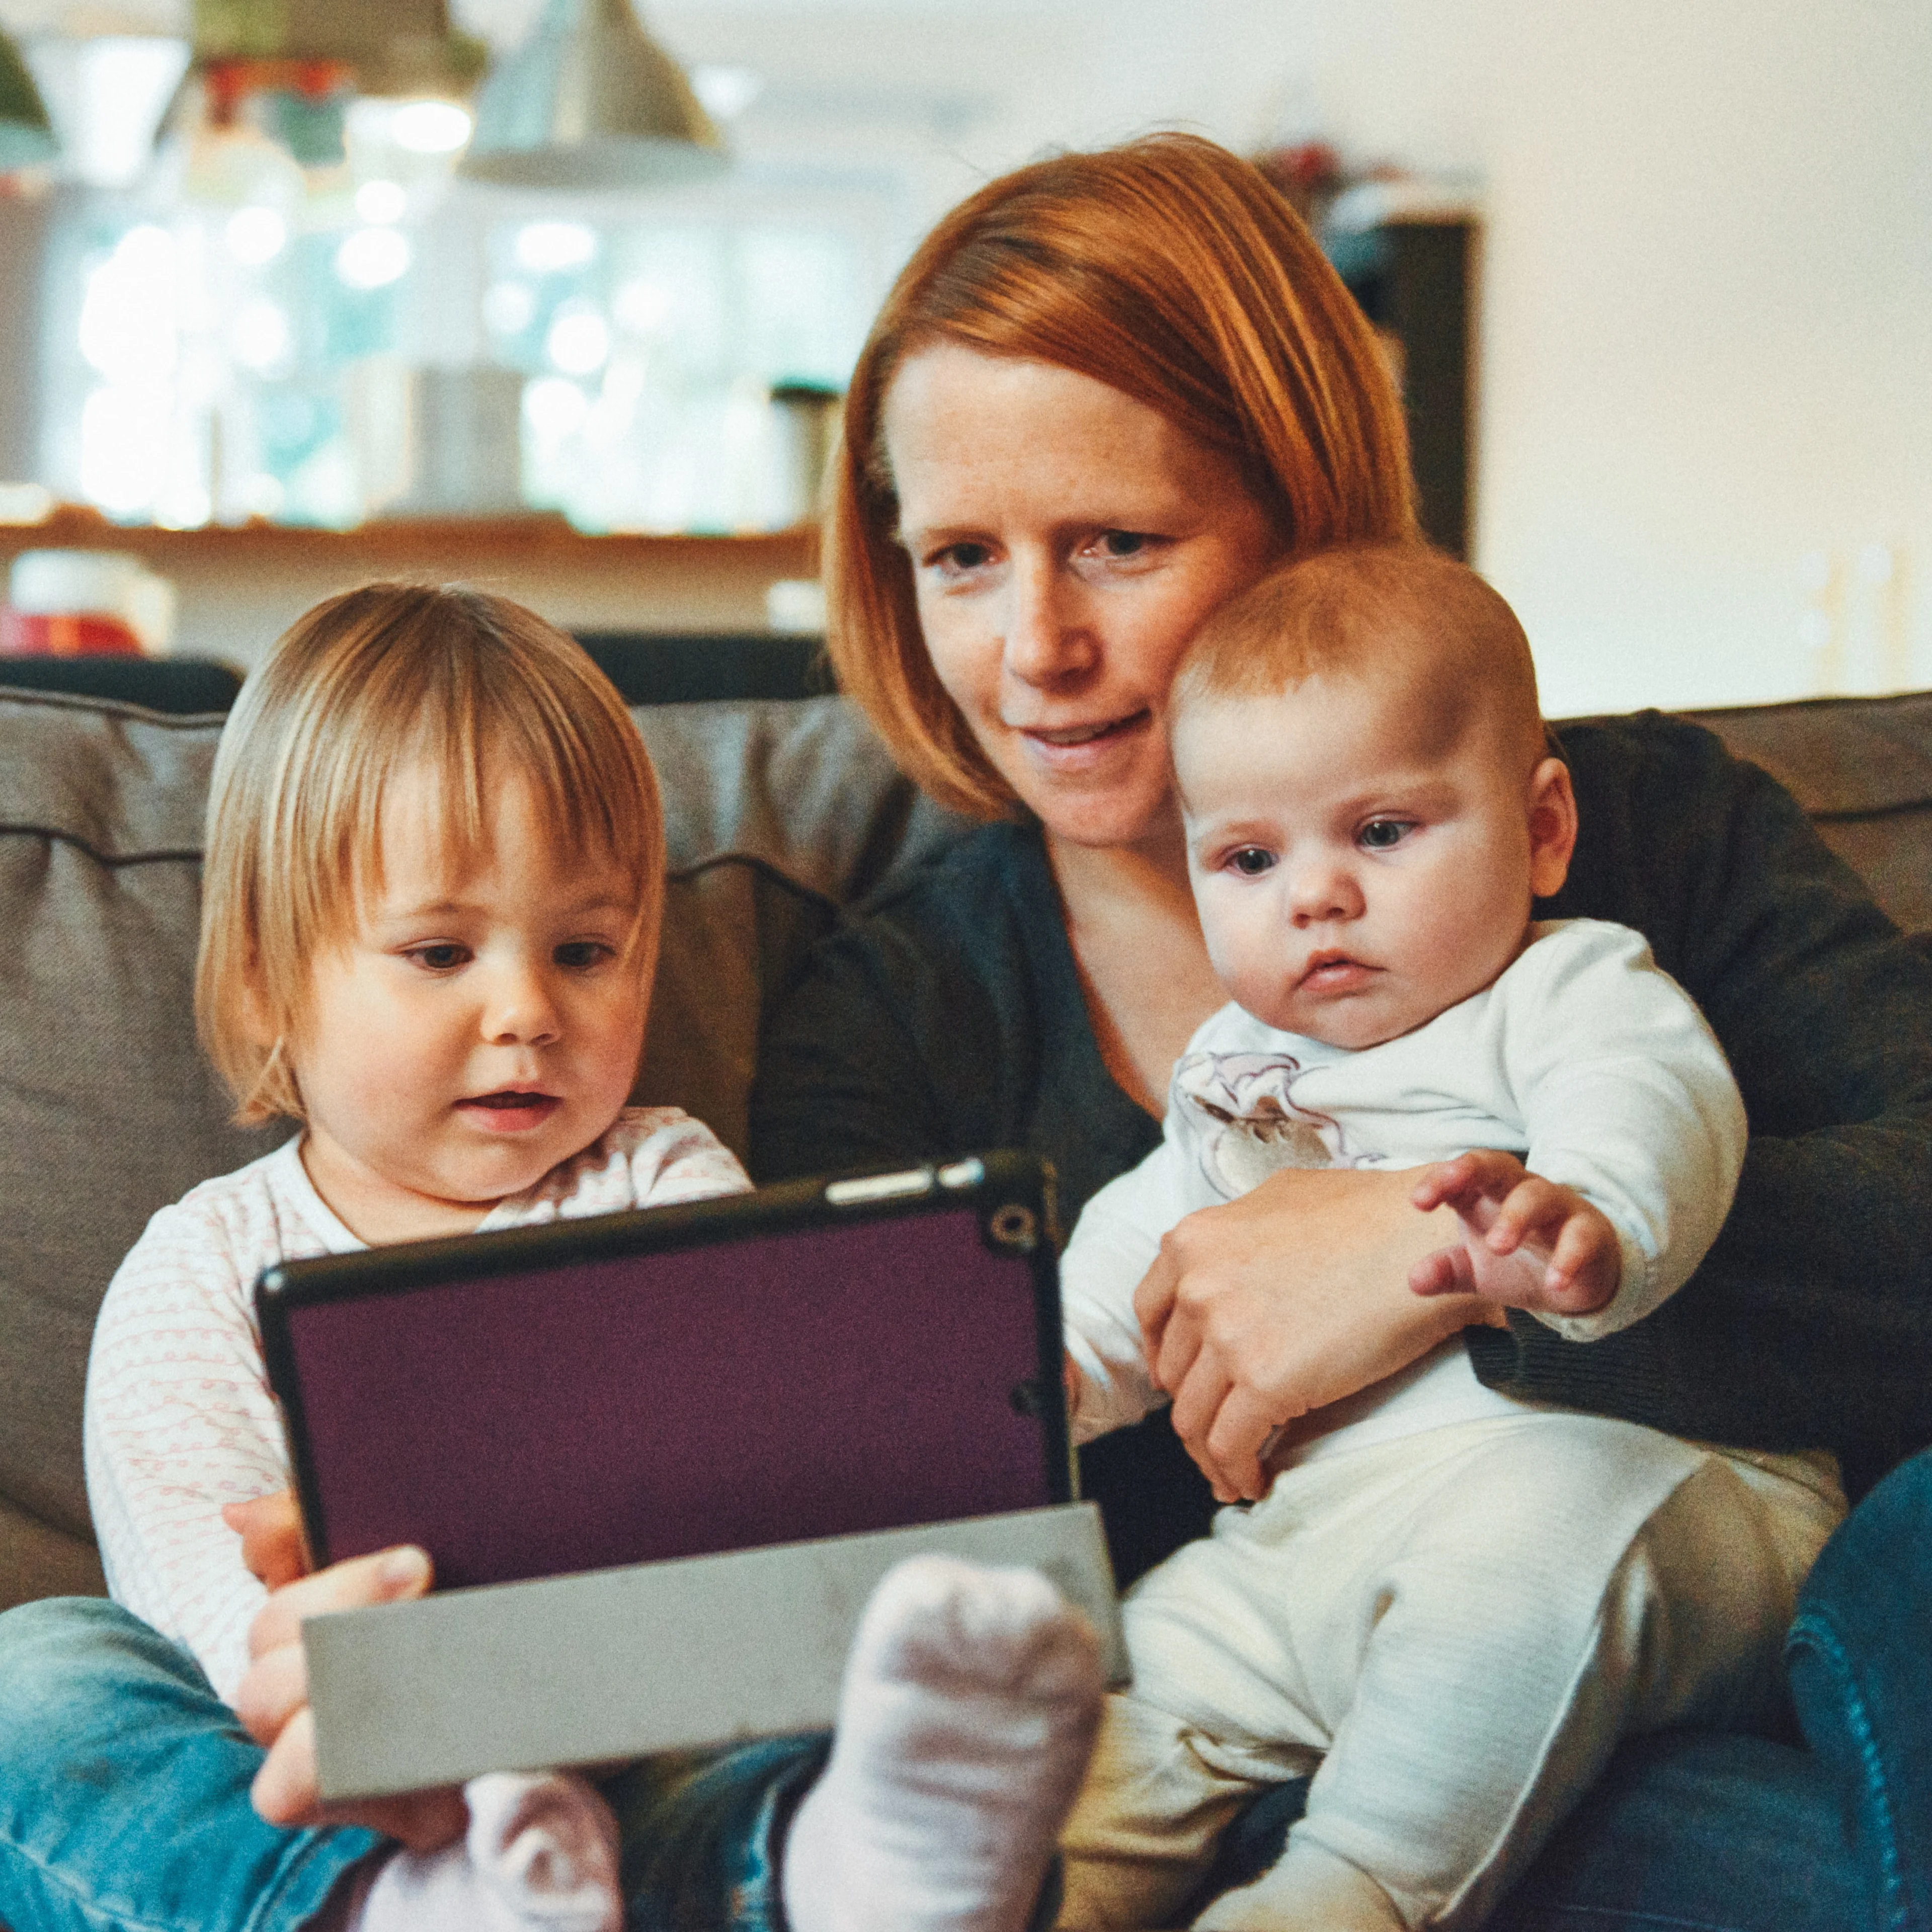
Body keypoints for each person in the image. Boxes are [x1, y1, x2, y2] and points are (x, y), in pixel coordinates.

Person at [746, 132, 1932, 1926]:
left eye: (1118, 545)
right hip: (1214, 1730)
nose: (1036, 649)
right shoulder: (899, 1012)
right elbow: (900, 1515)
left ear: (1303, 511)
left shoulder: (1640, 835)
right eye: (964, 560)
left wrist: (1429, 1247)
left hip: (1682, 1685)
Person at [0, 582, 1104, 1932]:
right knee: (40, 1675)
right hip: (334, 1784)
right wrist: (385, 1707)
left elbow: (759, 1491)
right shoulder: (199, 1269)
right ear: (262, 983)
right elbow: (206, 1612)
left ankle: (851, 1875)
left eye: (585, 950)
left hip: (651, 1744)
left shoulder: (664, 1181)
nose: (527, 1011)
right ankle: (405, 1909)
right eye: (440, 951)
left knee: (823, 1718)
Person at [1050, 542, 1844, 1930]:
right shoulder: (1239, 1064)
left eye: (1383, 833)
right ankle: (1023, 1886)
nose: (1316, 896)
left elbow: (1652, 1098)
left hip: (1633, 1496)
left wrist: (1592, 1214)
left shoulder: (1563, 984)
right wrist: (1049, 1370)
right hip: (1318, 1541)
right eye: (1248, 857)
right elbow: (1152, 1236)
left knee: (1514, 1572)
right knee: (1140, 1674)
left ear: (1541, 830)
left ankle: (1351, 1891)